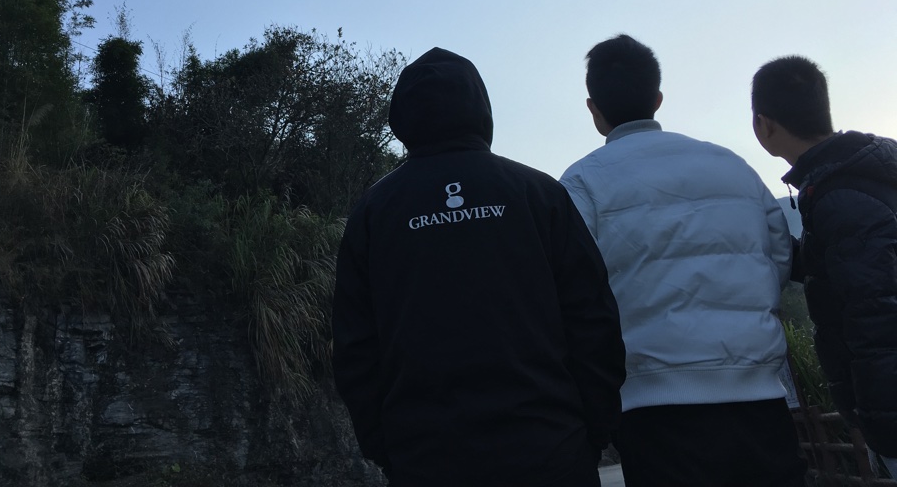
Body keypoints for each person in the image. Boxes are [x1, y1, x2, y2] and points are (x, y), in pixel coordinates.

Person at [332, 47, 625, 487]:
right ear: (481, 108)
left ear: (403, 117)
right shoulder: (538, 194)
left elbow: (355, 348)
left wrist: (387, 449)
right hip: (551, 451)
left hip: (425, 461)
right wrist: (591, 432)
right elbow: (594, 320)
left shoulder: (374, 212)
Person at [560, 34, 806, 487]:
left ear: (593, 109)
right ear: (657, 98)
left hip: (653, 409)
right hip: (760, 398)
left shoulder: (580, 183)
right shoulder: (732, 166)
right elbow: (778, 260)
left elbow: (574, 295)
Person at [752, 55, 897, 473]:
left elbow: (876, 311)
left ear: (763, 125)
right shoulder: (858, 175)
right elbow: (848, 269)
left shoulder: (839, 195)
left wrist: (881, 425)